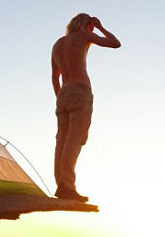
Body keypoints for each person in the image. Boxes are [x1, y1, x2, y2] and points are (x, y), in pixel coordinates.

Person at [51, 13, 120, 202]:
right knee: (75, 139)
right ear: (86, 25)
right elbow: (115, 43)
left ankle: (61, 185)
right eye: (91, 26)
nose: (92, 29)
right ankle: (67, 187)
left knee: (61, 141)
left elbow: (54, 76)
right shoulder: (84, 35)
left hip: (63, 94)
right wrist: (100, 27)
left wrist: (60, 98)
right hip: (80, 91)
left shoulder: (57, 44)